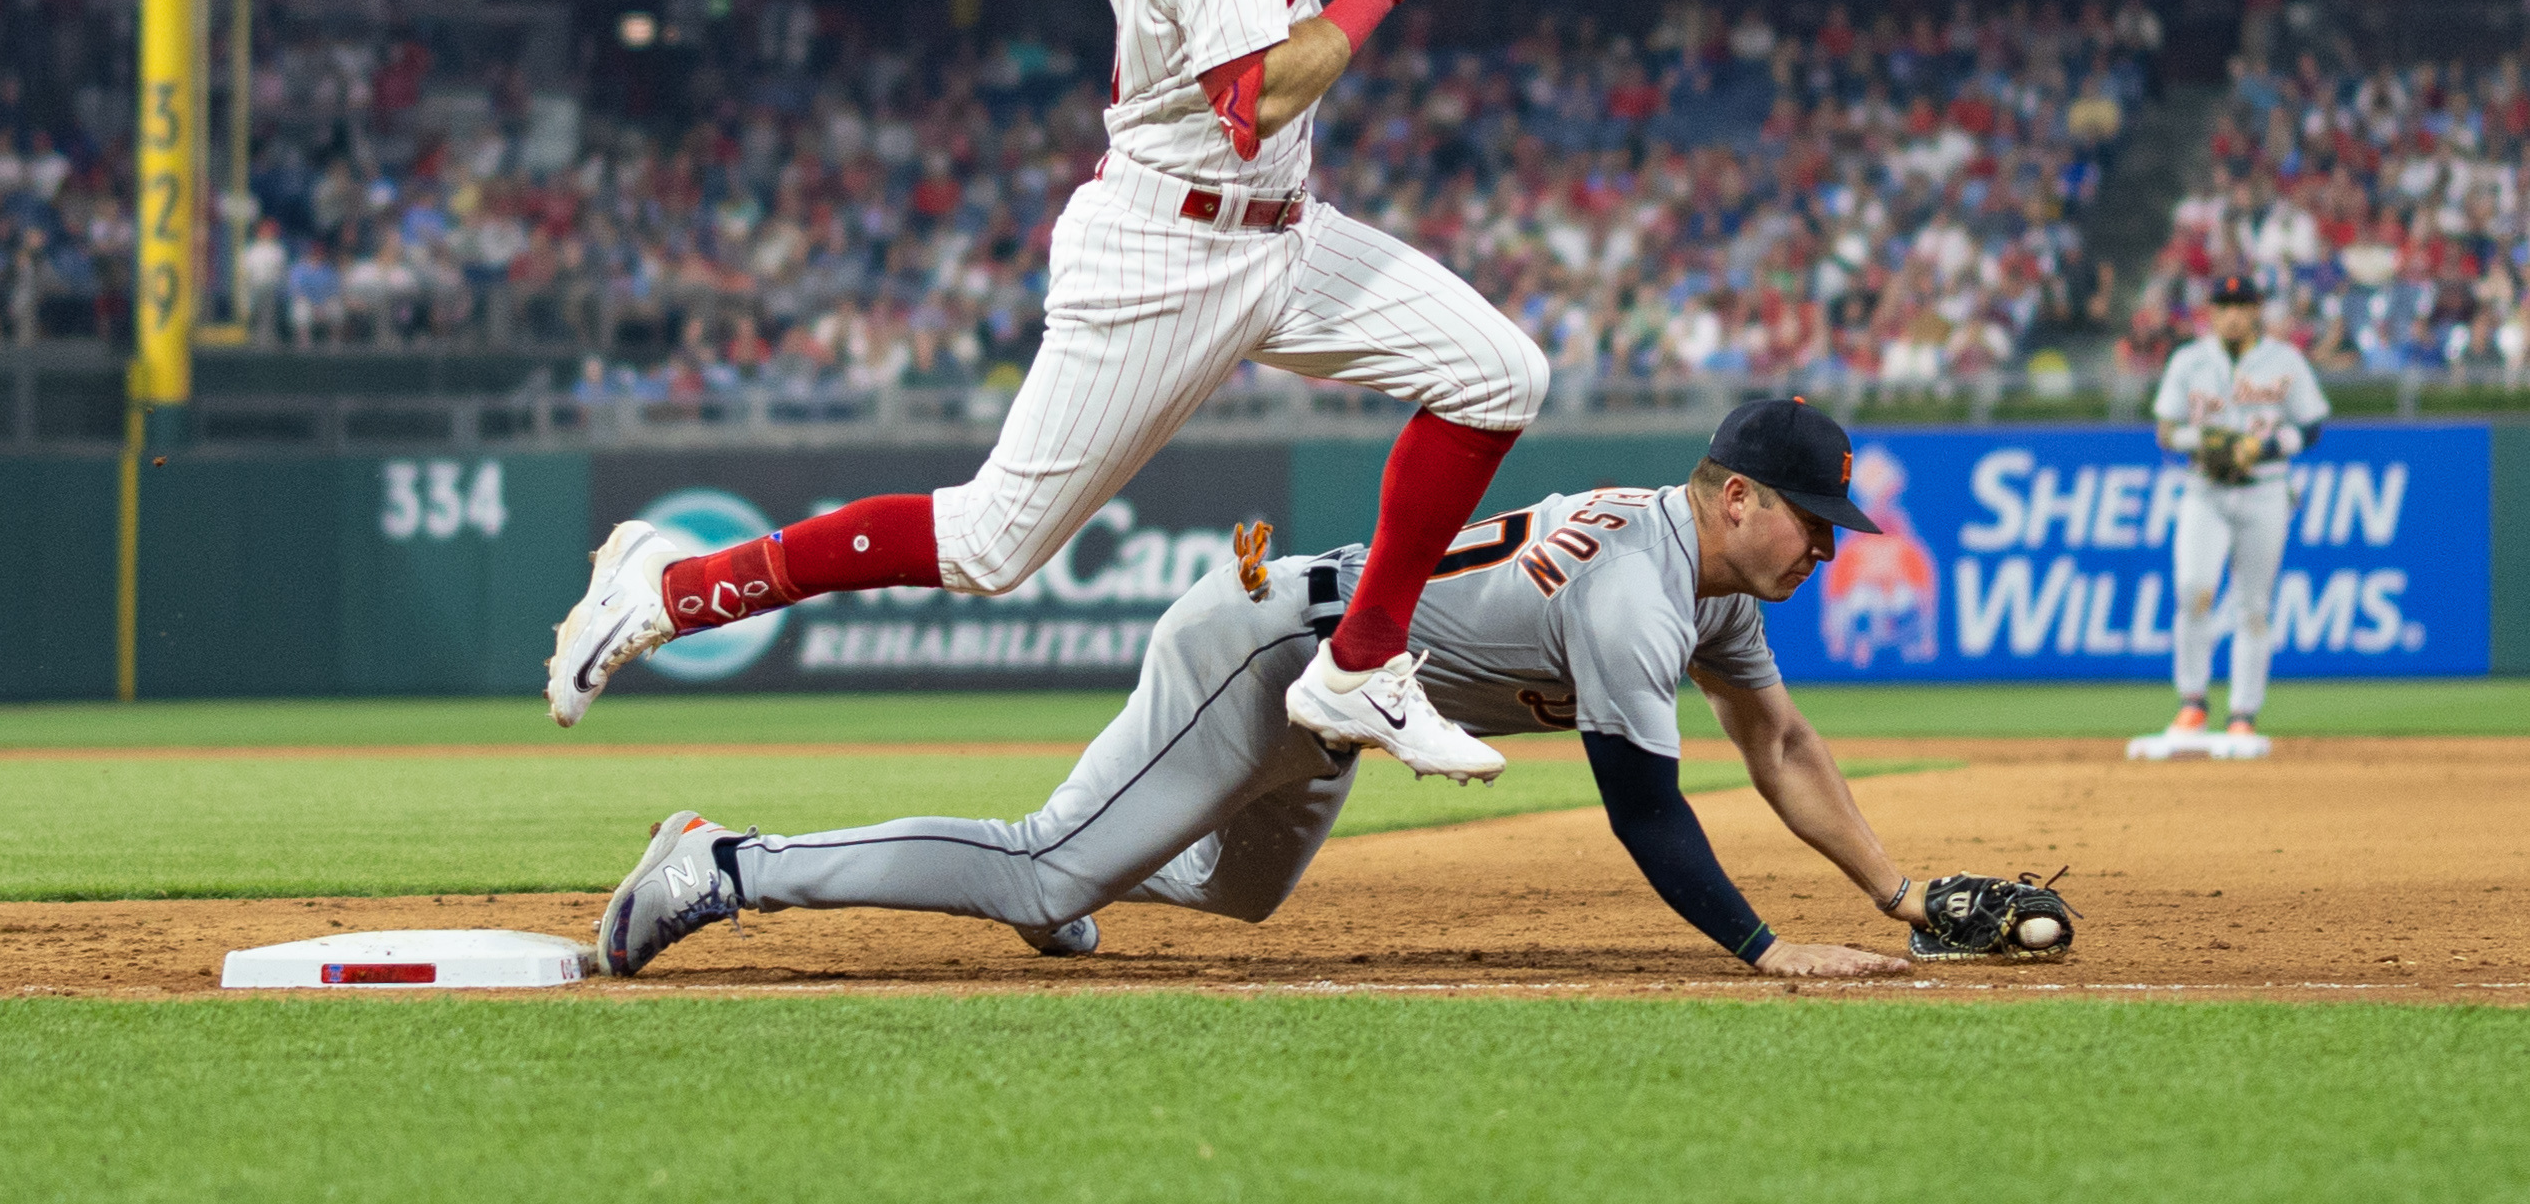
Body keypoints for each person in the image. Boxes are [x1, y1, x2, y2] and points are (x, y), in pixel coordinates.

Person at [546, 0, 1547, 783]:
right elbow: (1258, 100)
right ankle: (672, 587)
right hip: (1172, 249)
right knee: (988, 545)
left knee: (1497, 373)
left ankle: (1361, 663)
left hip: (1277, 233)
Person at [591, 400, 1947, 982]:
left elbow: (1774, 739)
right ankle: (721, 864)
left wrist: (1896, 895)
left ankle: (1088, 861)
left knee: (1237, 894)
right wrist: (1766, 951)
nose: (1826, 544)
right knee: (1042, 870)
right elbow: (1644, 813)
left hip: (1348, 676)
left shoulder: (1706, 579)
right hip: (1270, 646)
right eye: (1812, 520)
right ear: (1733, 494)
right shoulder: (1639, 589)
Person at [2142, 272, 2330, 758]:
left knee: (2253, 606)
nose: (2232, 313)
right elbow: (2167, 430)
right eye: (2223, 304)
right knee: (2192, 591)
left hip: (2265, 491)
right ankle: (2193, 703)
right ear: (2212, 311)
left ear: (2256, 310)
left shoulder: (2284, 360)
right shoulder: (2190, 360)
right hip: (2205, 487)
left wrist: (2265, 447)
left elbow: (2310, 426)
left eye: (2241, 304)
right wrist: (2212, 442)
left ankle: (2243, 715)